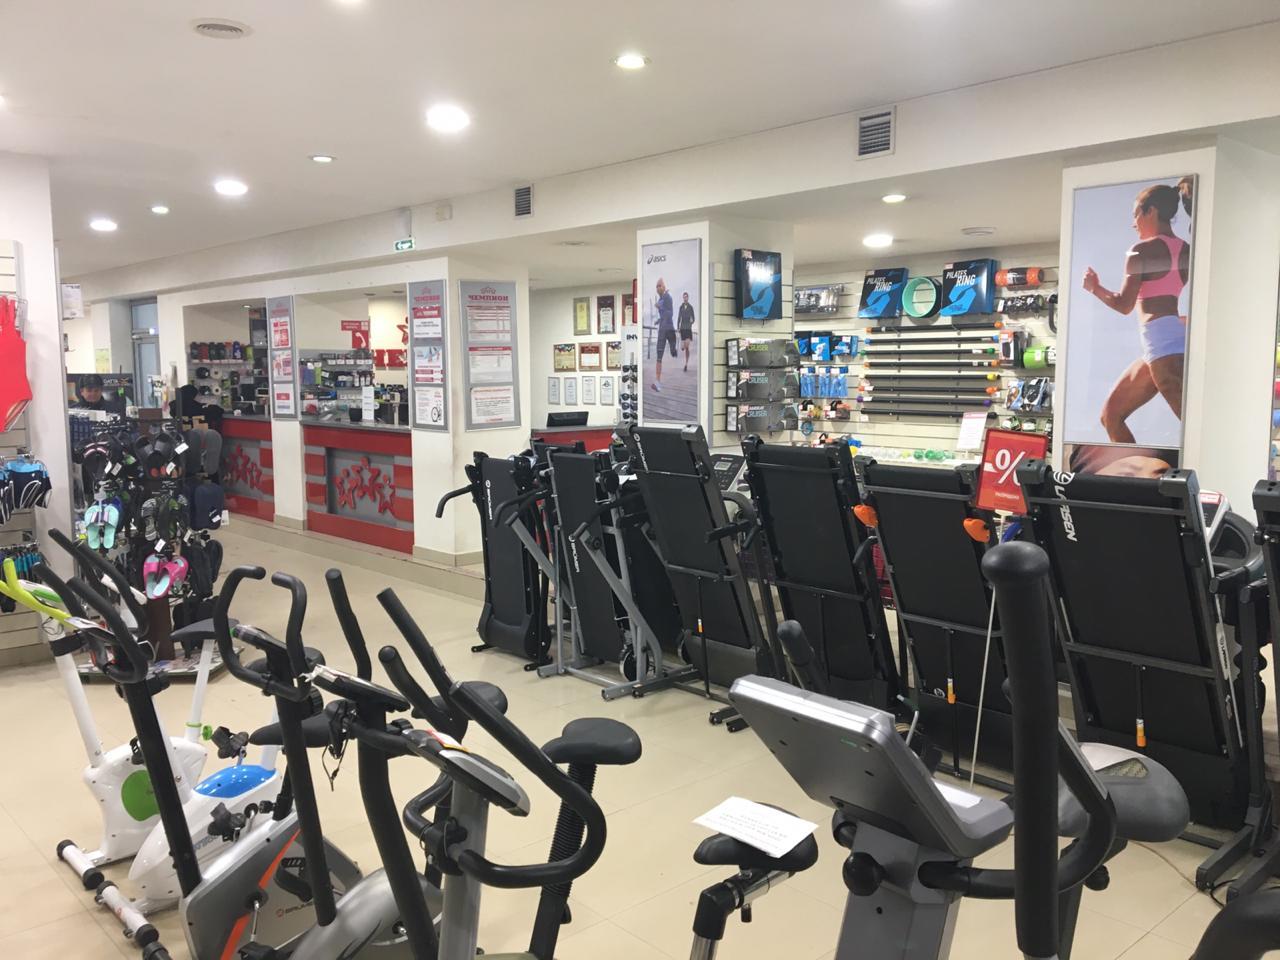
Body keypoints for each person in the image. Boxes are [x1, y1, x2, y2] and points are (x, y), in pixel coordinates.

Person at [1082, 177, 1193, 444]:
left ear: (1150, 211)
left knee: (1195, 427)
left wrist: (1095, 288)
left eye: (1136, 215)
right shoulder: (1187, 250)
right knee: (1110, 416)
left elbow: (1124, 304)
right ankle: (1132, 472)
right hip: (1167, 340)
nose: (1134, 223)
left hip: (1161, 344)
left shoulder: (1140, 250)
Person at [652, 277, 675, 392]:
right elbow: (664, 315)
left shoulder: (668, 298)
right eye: (656, 286)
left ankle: (674, 349)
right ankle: (657, 382)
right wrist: (659, 320)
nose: (657, 288)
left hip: (669, 329)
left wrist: (660, 306)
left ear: (664, 287)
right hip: (662, 329)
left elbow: (671, 314)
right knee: (659, 356)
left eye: (659, 285)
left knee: (673, 352)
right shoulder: (661, 299)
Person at [677, 292, 695, 372]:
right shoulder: (681, 307)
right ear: (683, 298)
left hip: (688, 329)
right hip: (682, 329)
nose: (685, 298)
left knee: (687, 347)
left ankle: (686, 364)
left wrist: (691, 322)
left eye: (686, 297)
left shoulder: (691, 307)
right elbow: (679, 318)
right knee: (683, 348)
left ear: (688, 298)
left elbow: (693, 318)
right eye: (684, 297)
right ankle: (682, 346)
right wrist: (678, 327)